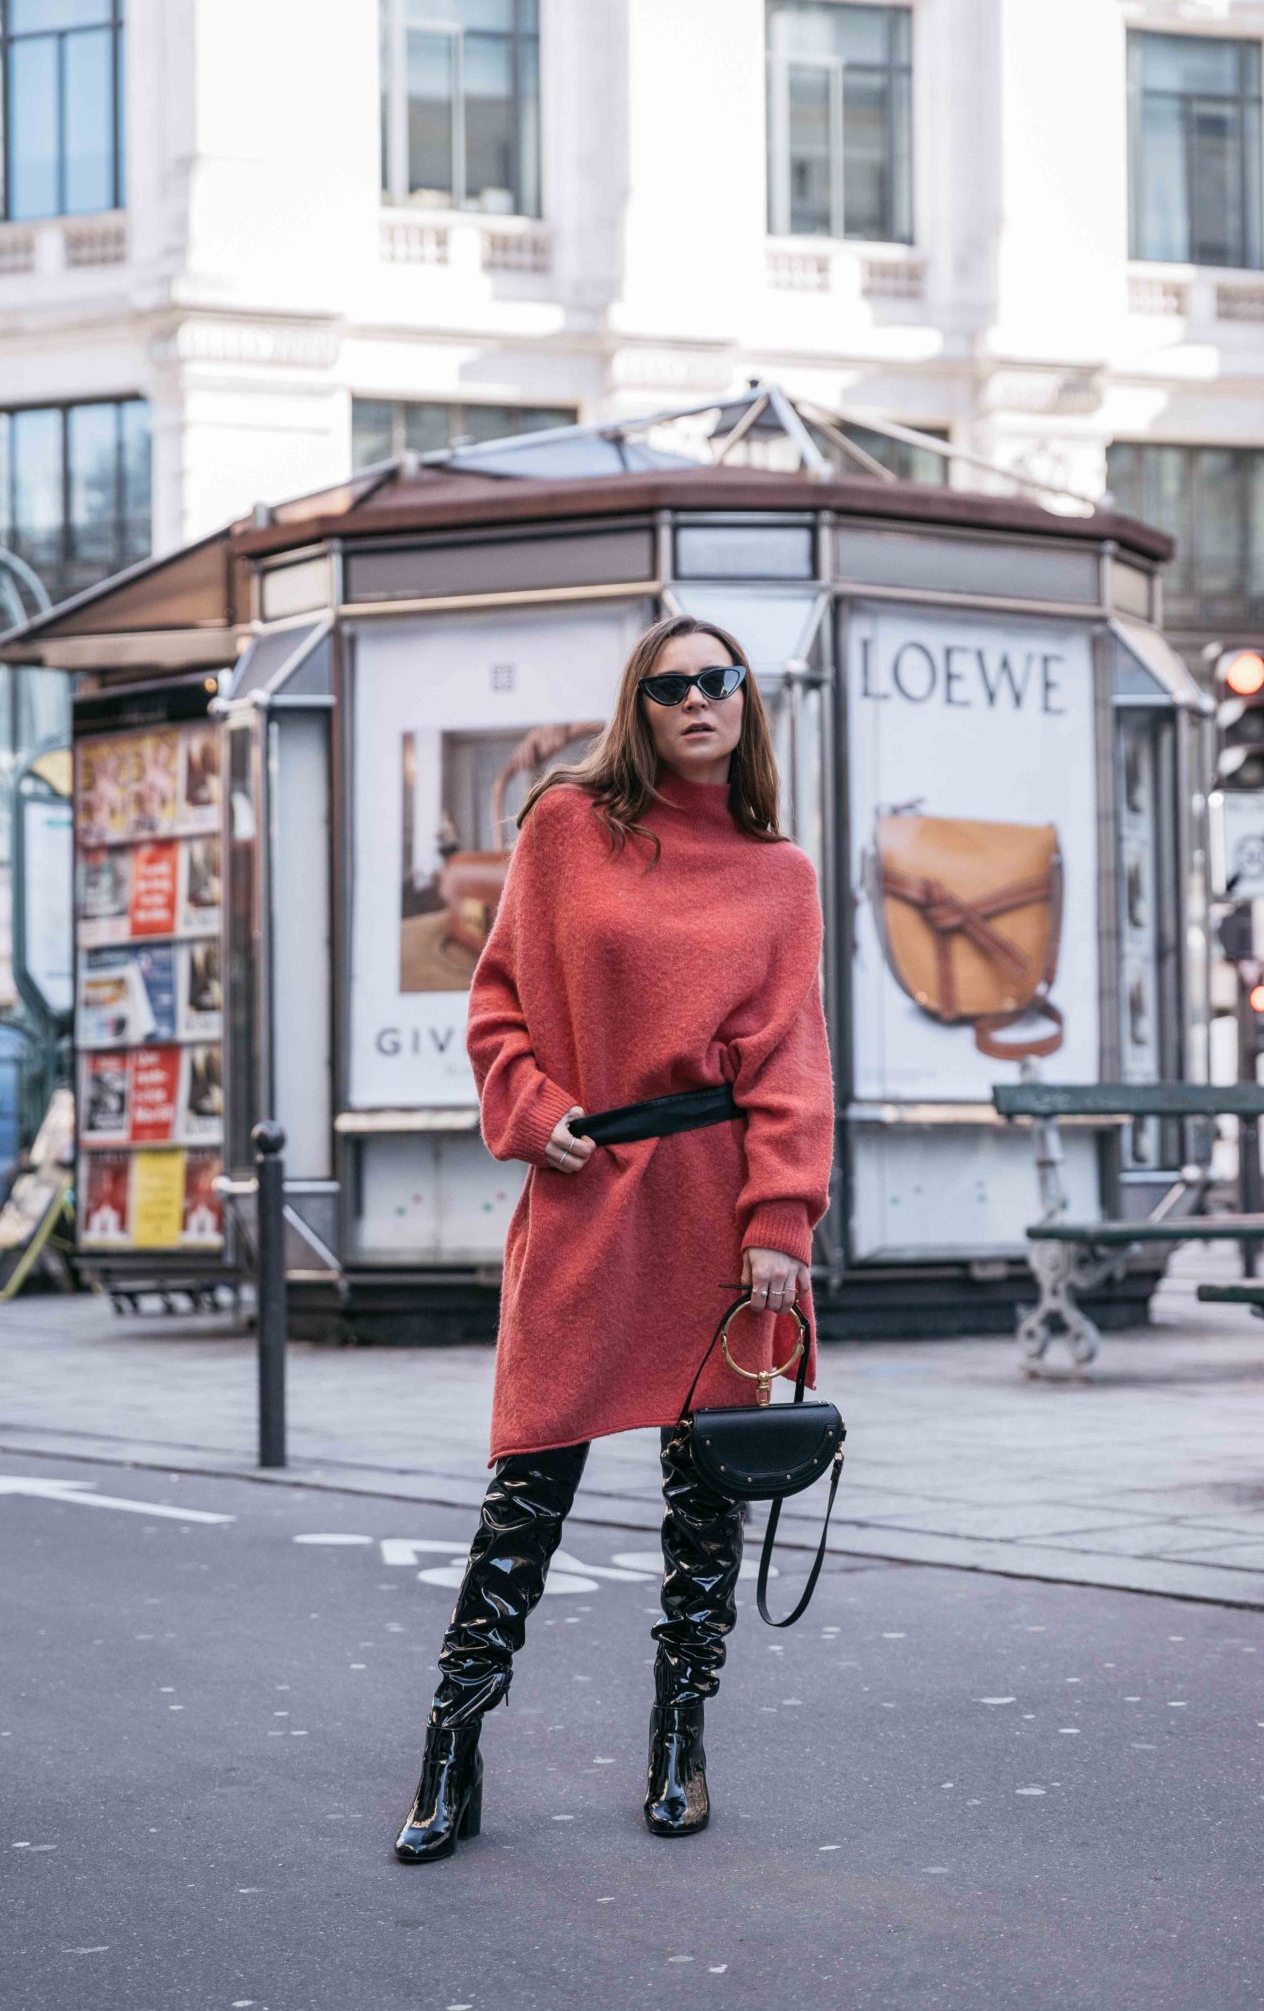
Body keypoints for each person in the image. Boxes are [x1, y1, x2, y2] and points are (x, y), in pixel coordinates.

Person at [393, 614, 836, 1861]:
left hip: (720, 1199)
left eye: (720, 681)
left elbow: (792, 1064)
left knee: (706, 1502)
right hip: (592, 1192)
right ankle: (449, 1748)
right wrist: (535, 1115)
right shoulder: (565, 829)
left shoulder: (779, 871)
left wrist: (781, 1221)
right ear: (636, 708)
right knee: (528, 1483)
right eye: (671, 685)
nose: (699, 700)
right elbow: (497, 1007)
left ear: (747, 703)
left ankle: (679, 1739)